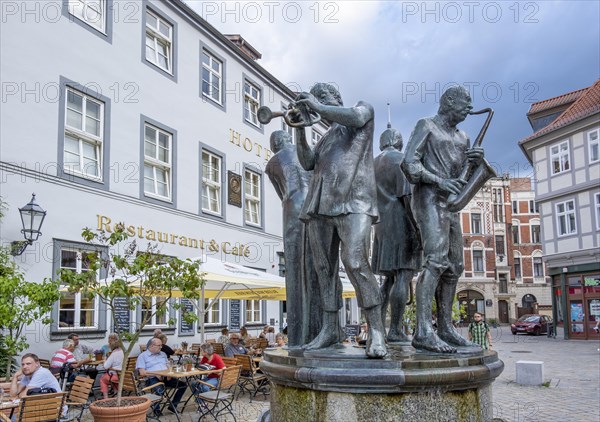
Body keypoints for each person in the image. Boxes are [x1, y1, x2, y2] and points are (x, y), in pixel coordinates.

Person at [294, 82, 386, 358]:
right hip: (321, 205)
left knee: (356, 261)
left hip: (355, 201)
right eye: (316, 100)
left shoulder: (360, 112)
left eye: (322, 99)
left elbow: (355, 117)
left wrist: (316, 106)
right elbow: (308, 162)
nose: (318, 104)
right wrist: (300, 129)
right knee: (324, 269)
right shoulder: (326, 136)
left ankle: (377, 330)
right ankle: (330, 328)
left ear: (336, 99)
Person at [402, 85, 485, 353]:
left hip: (450, 205)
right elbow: (409, 165)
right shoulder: (426, 125)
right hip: (428, 200)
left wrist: (472, 162)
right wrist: (439, 180)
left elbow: (460, 176)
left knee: (455, 267)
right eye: (465, 103)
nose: (469, 108)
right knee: (436, 260)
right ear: (449, 101)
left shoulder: (463, 138)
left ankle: (446, 329)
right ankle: (424, 330)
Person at [266, 129, 321, 347]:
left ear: (275, 145)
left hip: (292, 207)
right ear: (288, 139)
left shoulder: (272, 164)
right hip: (315, 206)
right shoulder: (306, 152)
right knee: (318, 264)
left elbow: (282, 194)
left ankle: (299, 335)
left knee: (295, 265)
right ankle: (319, 331)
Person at [371, 125, 421, 343]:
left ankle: (378, 328)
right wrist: (418, 228)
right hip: (401, 223)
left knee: (388, 280)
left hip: (381, 226)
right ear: (399, 142)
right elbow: (407, 196)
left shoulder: (372, 164)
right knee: (403, 274)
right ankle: (396, 330)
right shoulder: (401, 160)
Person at [136, 338, 186, 414]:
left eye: (161, 345)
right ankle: (157, 409)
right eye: (159, 345)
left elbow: (168, 365)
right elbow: (142, 372)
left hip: (166, 377)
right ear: (152, 346)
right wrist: (156, 374)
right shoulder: (143, 356)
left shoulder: (163, 354)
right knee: (160, 389)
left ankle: (173, 406)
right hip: (152, 378)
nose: (161, 347)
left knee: (183, 385)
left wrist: (169, 373)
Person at [99, 333, 123, 399]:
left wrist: (104, 361)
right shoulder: (123, 352)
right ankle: (116, 394)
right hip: (123, 376)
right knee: (113, 378)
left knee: (102, 379)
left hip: (114, 376)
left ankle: (106, 398)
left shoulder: (114, 353)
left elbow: (105, 366)